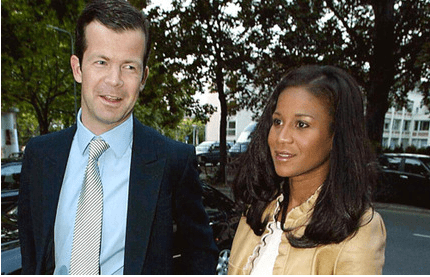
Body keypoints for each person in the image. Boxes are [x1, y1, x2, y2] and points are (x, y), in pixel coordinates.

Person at [18, 0, 218, 274]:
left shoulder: (172, 161)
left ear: (144, 76)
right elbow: (31, 253)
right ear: (78, 68)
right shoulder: (40, 155)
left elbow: (201, 256)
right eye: (101, 62)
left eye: (129, 67)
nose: (114, 80)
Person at [228, 65, 386, 274]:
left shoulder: (358, 229)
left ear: (336, 135)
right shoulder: (257, 210)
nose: (281, 137)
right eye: (277, 121)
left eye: (301, 124)